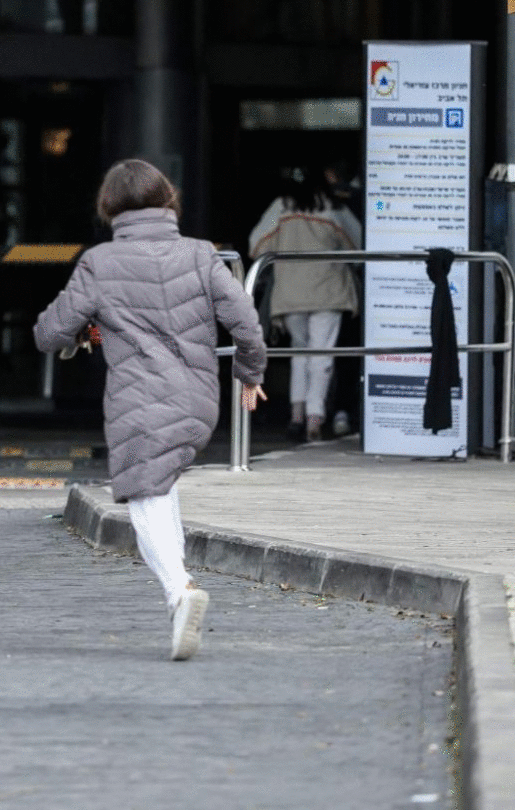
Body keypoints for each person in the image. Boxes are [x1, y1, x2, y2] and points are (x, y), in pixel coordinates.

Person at [33, 158, 267, 661]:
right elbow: (244, 321)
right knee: (161, 487)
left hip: (140, 400)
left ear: (109, 207)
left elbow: (49, 332)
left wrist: (83, 325)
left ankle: (179, 593)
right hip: (199, 400)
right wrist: (250, 374)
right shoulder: (202, 255)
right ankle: (181, 593)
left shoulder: (100, 263)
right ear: (169, 199)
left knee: (145, 497)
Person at [249, 165, 361, 441]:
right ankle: (314, 418)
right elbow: (358, 247)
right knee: (321, 356)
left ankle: (296, 415)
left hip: (291, 291)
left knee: (299, 353)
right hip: (328, 290)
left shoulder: (282, 206)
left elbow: (256, 245)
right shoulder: (333, 208)